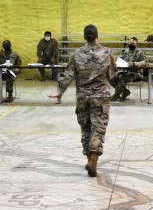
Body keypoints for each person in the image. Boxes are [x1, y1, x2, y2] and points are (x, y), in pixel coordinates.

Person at [49, 24, 115, 177]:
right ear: (97, 36)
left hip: (83, 97)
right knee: (98, 128)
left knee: (86, 128)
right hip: (100, 97)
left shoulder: (77, 54)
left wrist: (60, 92)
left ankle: (88, 157)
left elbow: (68, 75)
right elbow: (111, 75)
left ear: (85, 37)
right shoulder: (106, 53)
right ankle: (93, 158)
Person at [110, 36, 147, 101]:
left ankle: (117, 94)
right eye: (130, 43)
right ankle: (125, 91)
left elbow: (145, 62)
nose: (131, 44)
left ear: (136, 44)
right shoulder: (126, 52)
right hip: (126, 71)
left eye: (133, 43)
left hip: (136, 74)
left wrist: (134, 63)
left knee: (122, 77)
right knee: (111, 78)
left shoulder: (140, 53)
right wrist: (116, 62)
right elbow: (121, 60)